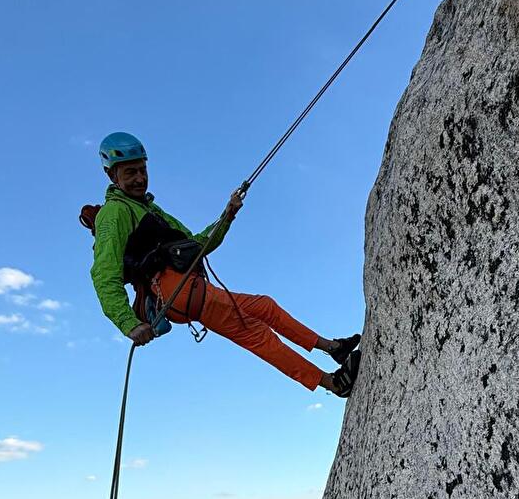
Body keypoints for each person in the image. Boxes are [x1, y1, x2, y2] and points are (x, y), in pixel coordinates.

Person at [88, 132, 362, 396]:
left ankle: (333, 347)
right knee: (255, 333)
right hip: (178, 290)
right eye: (130, 173)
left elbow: (198, 244)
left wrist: (227, 215)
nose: (140, 178)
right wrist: (129, 323)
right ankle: (333, 384)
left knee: (264, 306)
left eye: (142, 170)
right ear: (112, 175)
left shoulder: (149, 210)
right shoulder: (114, 214)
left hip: (188, 287)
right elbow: (104, 273)